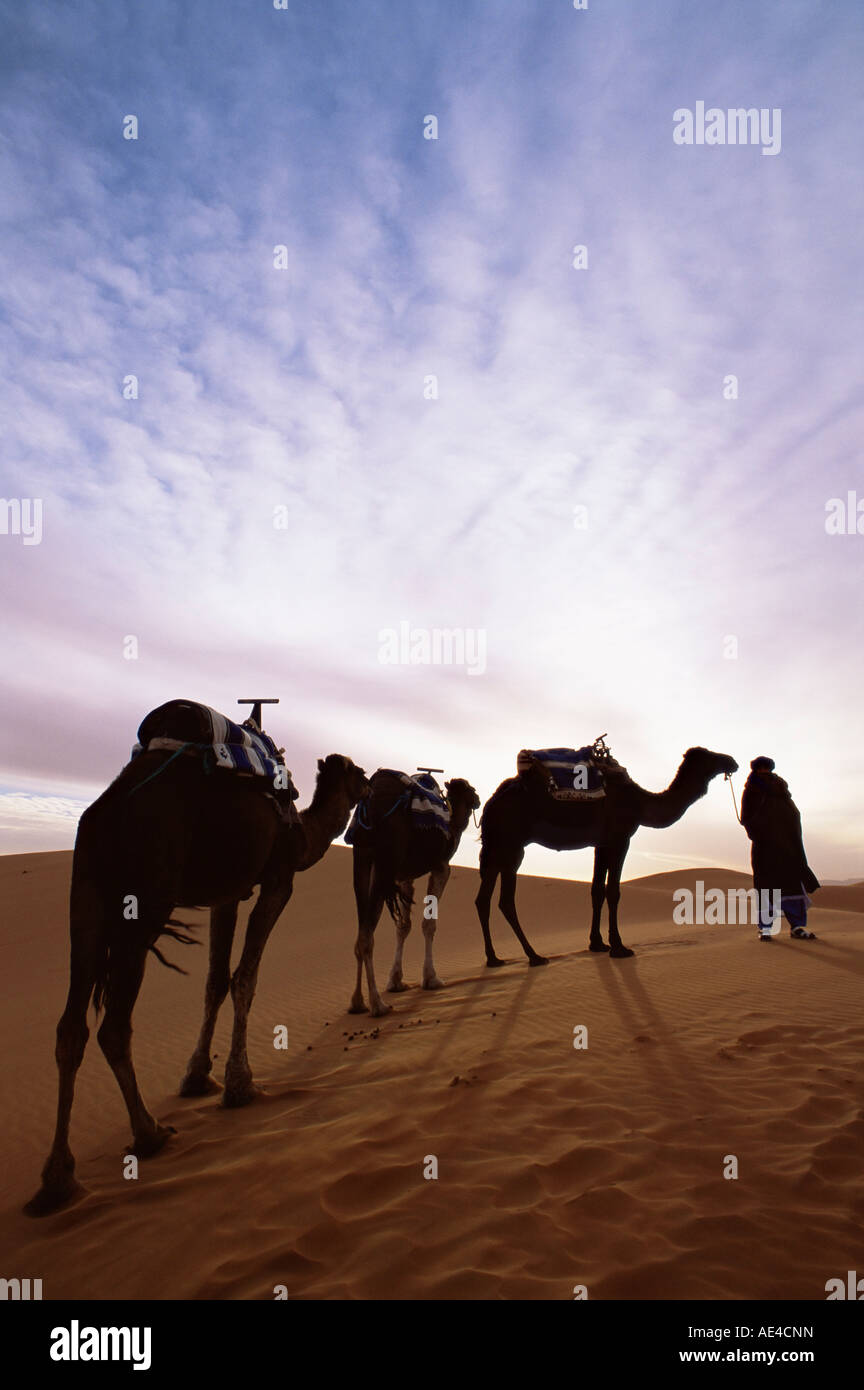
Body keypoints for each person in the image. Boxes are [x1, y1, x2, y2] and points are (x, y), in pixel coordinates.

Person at [740, 757, 820, 941]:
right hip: (765, 848)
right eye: (760, 768)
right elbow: (747, 817)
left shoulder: (782, 791)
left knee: (792, 886)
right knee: (766, 889)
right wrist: (760, 833)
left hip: (788, 848)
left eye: (766, 767)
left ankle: (797, 927)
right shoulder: (752, 790)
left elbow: (794, 815)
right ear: (755, 769)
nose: (764, 770)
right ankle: (765, 928)